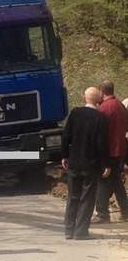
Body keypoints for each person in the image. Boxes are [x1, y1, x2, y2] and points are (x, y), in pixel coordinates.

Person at [62, 86, 111, 240]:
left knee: (73, 196)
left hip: (74, 162)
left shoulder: (75, 113)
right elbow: (102, 143)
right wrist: (106, 164)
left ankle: (68, 230)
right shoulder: (100, 118)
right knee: (87, 198)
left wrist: (64, 156)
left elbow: (66, 136)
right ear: (99, 100)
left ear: (85, 98)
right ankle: (81, 231)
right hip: (91, 164)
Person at [94, 80, 128, 223]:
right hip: (121, 149)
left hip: (110, 150)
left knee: (103, 181)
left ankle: (102, 214)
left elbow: (101, 132)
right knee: (116, 182)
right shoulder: (121, 105)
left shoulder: (104, 108)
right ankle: (126, 212)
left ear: (102, 92)